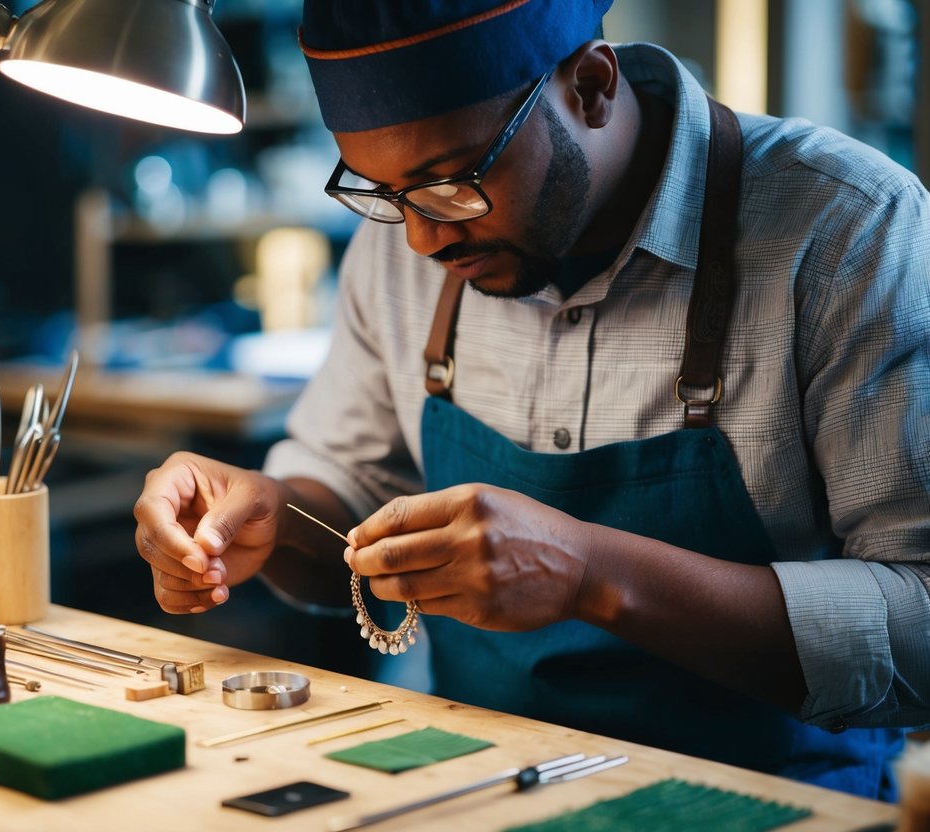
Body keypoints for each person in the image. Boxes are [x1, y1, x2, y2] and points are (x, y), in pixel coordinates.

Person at [133, 0, 930, 799]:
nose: (421, 239)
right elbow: (350, 498)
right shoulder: (410, 233)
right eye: (382, 191)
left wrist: (591, 574)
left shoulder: (847, 231)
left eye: (453, 181)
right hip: (477, 792)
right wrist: (271, 521)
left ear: (588, 85)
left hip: (771, 801)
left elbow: (920, 621)